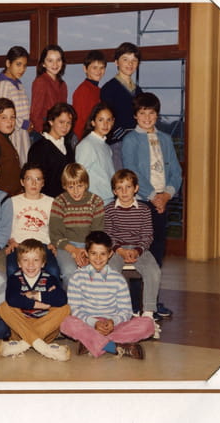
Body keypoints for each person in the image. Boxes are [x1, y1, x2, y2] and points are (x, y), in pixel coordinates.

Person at [121, 92, 182, 318]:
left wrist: (166, 195)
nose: (147, 117)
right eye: (142, 113)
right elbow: (131, 171)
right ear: (135, 116)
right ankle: (136, 304)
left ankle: (152, 302)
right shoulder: (130, 140)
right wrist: (154, 196)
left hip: (161, 203)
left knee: (157, 252)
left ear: (157, 115)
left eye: (152, 113)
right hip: (142, 203)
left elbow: (176, 171)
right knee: (140, 252)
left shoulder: (165, 139)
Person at [59, 231, 155, 359]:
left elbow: (126, 311)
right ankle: (114, 346)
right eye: (93, 253)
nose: (98, 258)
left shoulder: (118, 279)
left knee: (148, 324)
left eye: (103, 254)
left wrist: (113, 321)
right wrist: (94, 323)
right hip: (88, 323)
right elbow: (75, 310)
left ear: (110, 254)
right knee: (66, 323)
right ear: (86, 253)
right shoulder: (77, 277)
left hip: (113, 325)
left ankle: (92, 342)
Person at [0, 239, 71, 360]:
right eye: (25, 260)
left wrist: (36, 295)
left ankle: (23, 344)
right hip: (20, 327)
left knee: (65, 309)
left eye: (36, 260)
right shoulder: (15, 278)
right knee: (3, 307)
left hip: (45, 329)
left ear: (43, 263)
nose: (30, 265)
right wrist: (39, 304)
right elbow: (12, 299)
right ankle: (42, 347)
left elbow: (61, 299)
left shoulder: (49, 278)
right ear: (19, 263)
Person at [104, 169, 162, 321]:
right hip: (117, 250)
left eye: (128, 187)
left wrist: (137, 251)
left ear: (136, 188)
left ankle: (148, 313)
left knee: (153, 271)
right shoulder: (109, 210)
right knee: (111, 271)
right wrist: (120, 251)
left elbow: (147, 235)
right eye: (119, 188)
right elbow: (108, 235)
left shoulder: (144, 210)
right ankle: (119, 310)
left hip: (140, 249)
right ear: (114, 191)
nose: (124, 192)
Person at [49, 163, 105, 289]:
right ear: (64, 186)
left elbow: (97, 234)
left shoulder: (96, 201)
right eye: (71, 187)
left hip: (90, 246)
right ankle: (71, 301)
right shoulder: (59, 202)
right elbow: (55, 235)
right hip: (66, 246)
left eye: (80, 186)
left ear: (86, 184)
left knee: (94, 272)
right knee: (69, 272)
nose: (75, 191)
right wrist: (74, 250)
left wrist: (88, 252)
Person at [5, 163, 59, 281]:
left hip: (43, 245)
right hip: (19, 244)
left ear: (43, 183)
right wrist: (11, 241)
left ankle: (52, 293)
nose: (34, 183)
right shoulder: (12, 202)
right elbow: (6, 226)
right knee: (12, 269)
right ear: (22, 182)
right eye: (29, 179)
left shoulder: (51, 202)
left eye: (38, 179)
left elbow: (56, 228)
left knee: (53, 270)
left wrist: (53, 243)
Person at [100, 42, 143, 169]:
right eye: (125, 59)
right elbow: (107, 120)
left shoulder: (139, 91)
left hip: (137, 144)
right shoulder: (108, 89)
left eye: (134, 60)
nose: (130, 64)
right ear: (116, 62)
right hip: (117, 145)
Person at [0, 45, 31, 165]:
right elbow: (2, 114)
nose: (22, 69)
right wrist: (24, 124)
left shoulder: (19, 84)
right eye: (18, 64)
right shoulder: (3, 85)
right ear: (8, 63)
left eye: (24, 66)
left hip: (21, 134)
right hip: (10, 135)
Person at [26, 103, 77, 198]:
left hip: (66, 199)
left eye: (68, 123)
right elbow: (35, 181)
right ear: (51, 121)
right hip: (47, 200)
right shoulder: (38, 148)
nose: (65, 126)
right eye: (61, 122)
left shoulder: (67, 146)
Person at [75, 103, 116, 204]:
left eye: (109, 120)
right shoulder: (87, 144)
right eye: (101, 120)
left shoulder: (106, 146)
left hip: (108, 198)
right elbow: (79, 178)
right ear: (93, 122)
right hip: (94, 202)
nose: (105, 124)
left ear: (113, 122)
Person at [30, 45, 68, 134]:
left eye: (58, 60)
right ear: (43, 64)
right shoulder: (40, 82)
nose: (55, 64)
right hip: (44, 131)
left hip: (58, 130)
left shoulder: (62, 85)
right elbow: (35, 114)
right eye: (50, 61)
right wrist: (45, 133)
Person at [72, 50, 107, 142]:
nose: (98, 71)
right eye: (94, 68)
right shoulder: (83, 90)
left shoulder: (98, 90)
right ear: (85, 69)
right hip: (83, 138)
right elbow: (80, 121)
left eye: (102, 68)